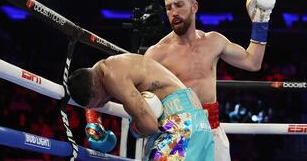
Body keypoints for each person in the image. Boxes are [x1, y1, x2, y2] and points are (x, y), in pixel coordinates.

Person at [144, 0, 276, 161]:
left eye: (179, 5)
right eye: (168, 8)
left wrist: (261, 21)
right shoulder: (157, 53)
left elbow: (253, 62)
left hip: (213, 131)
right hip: (177, 135)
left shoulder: (213, 41)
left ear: (194, 6)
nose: (173, 12)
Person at [67, 53, 214, 161]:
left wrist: (135, 128)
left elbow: (149, 125)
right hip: (197, 122)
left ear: (96, 90)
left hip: (181, 126)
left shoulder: (112, 77)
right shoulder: (109, 65)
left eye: (99, 103)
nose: (102, 105)